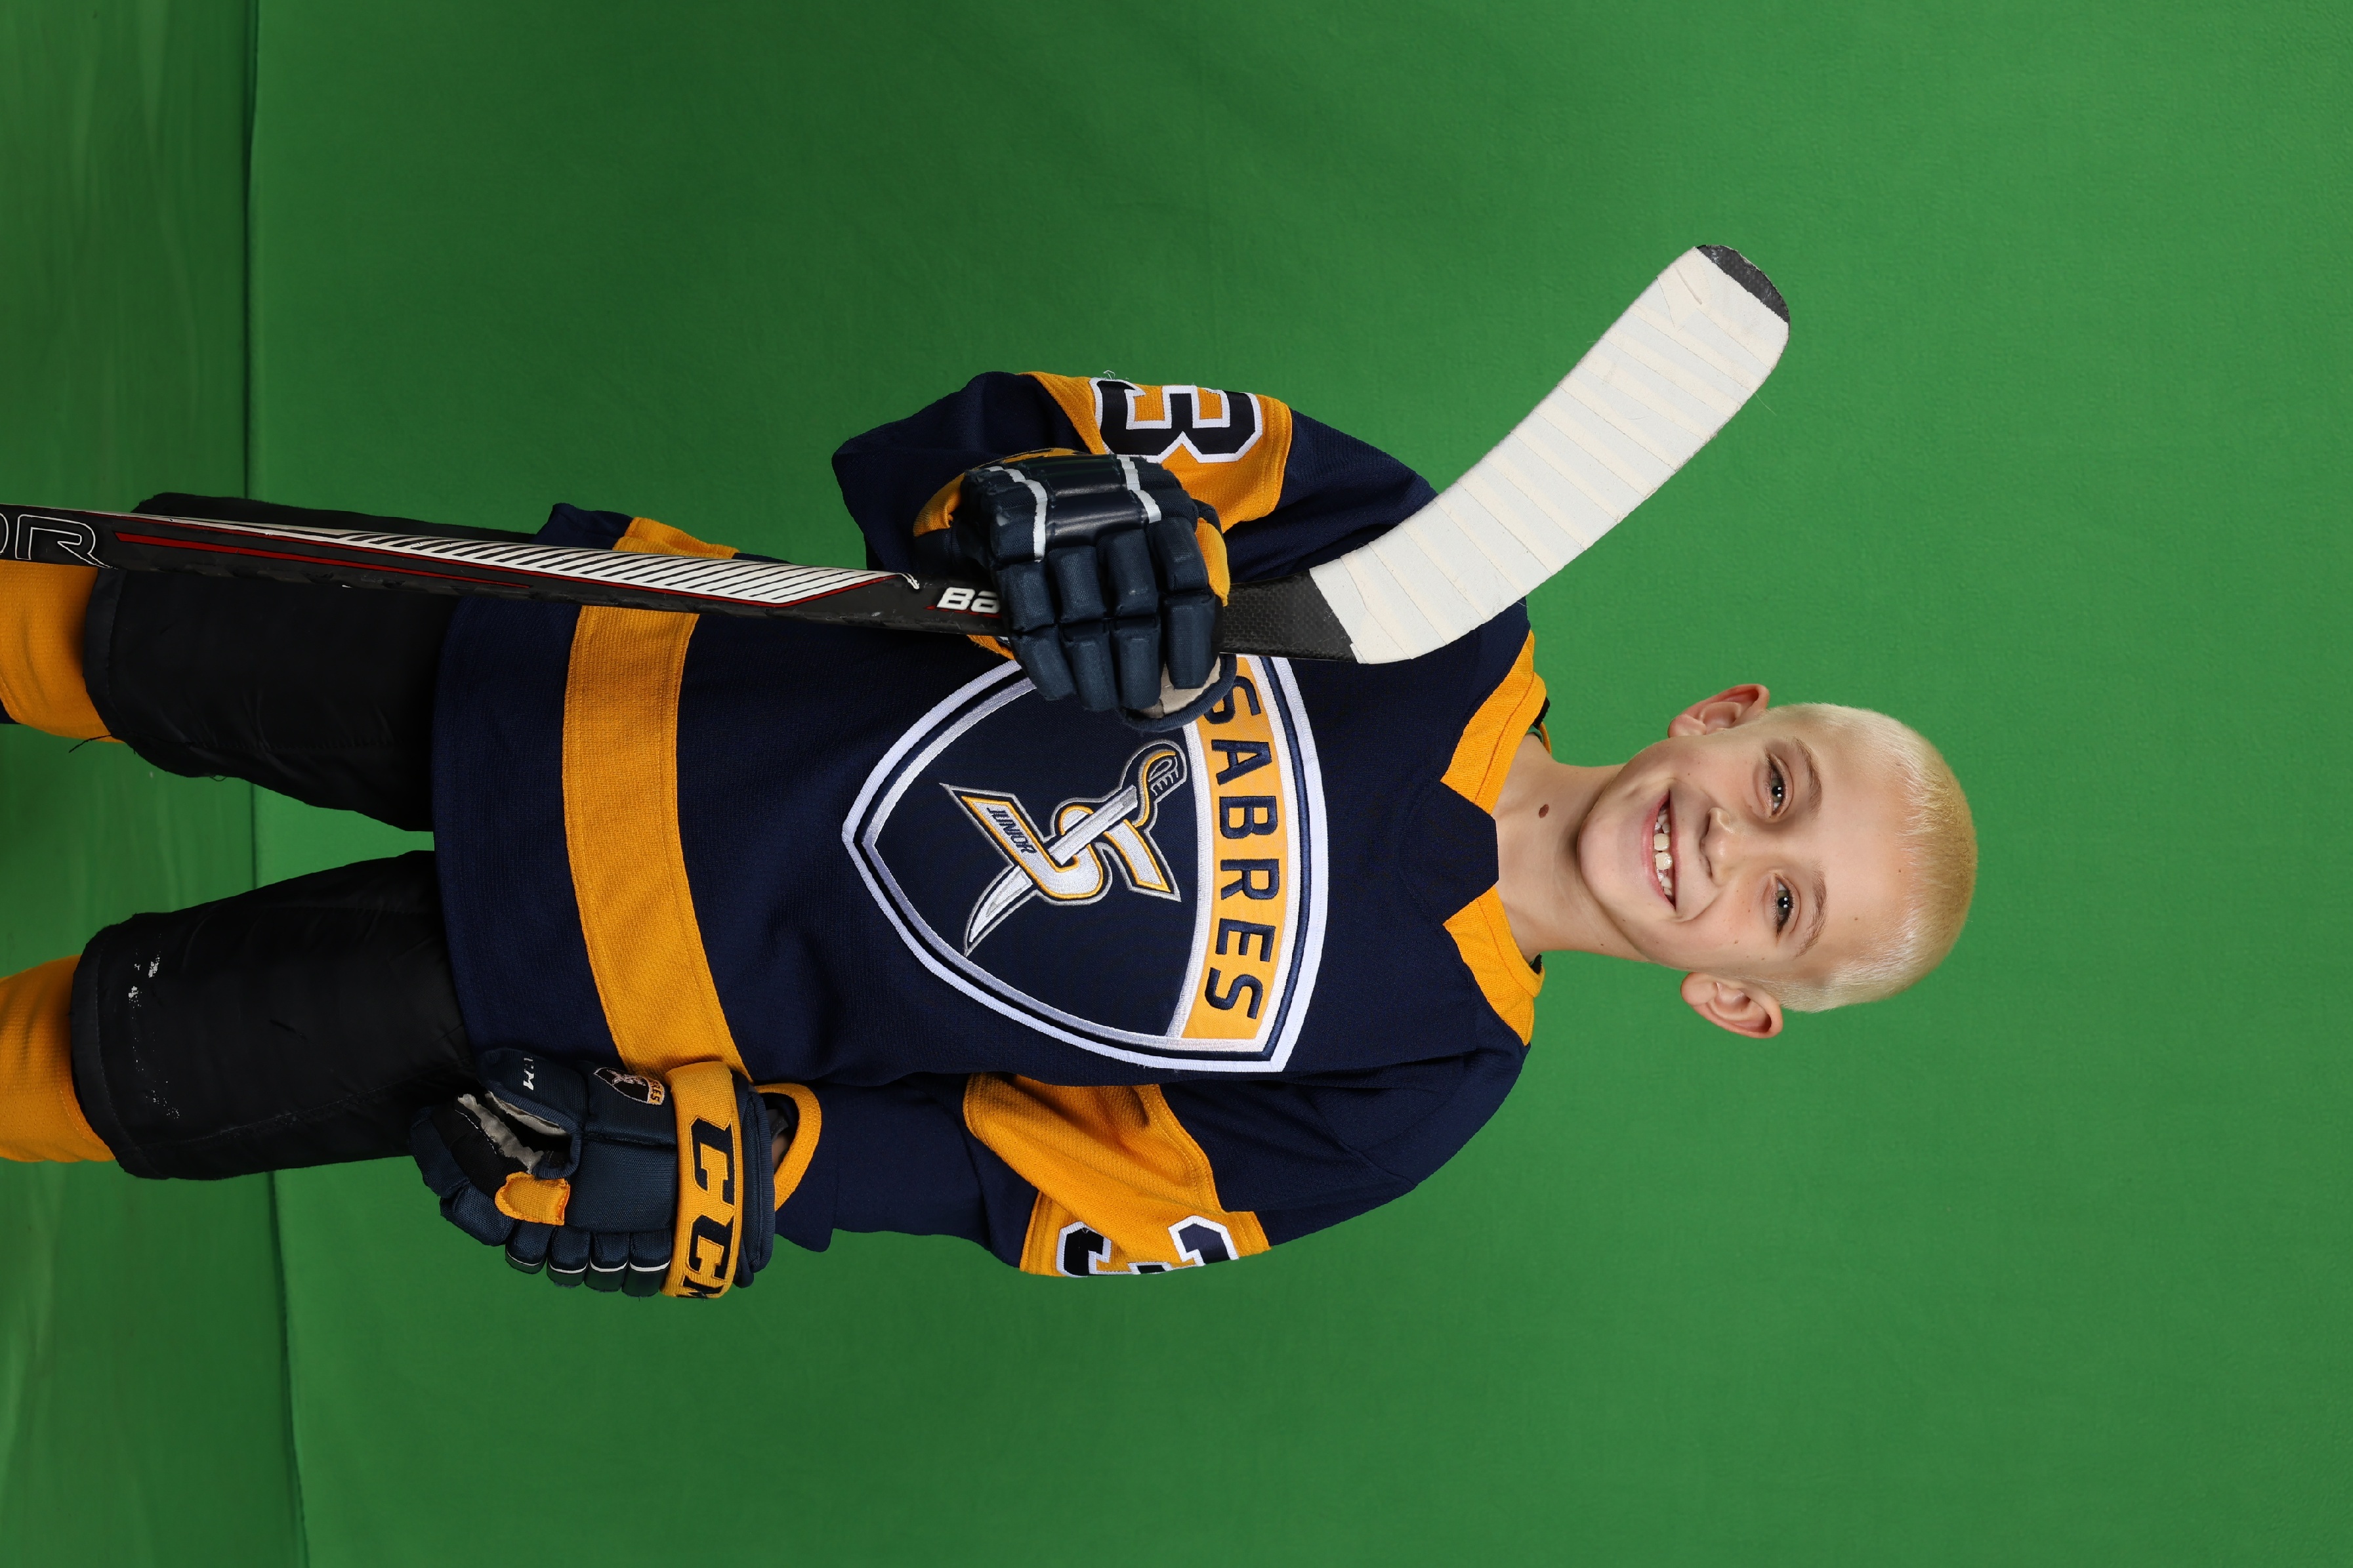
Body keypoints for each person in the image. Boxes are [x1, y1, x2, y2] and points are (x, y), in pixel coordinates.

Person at [0, 371, 1976, 1290]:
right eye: (1777, 790)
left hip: (596, 992)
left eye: (1782, 910)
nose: (1729, 850)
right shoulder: (1423, 572)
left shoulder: (1414, 1093)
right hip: (592, 666)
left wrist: (766, 1173)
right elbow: (982, 436)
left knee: (114, 1061)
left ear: (1738, 998)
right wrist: (1057, 506)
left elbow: (1019, 1176)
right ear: (1728, 714)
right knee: (113, 622)